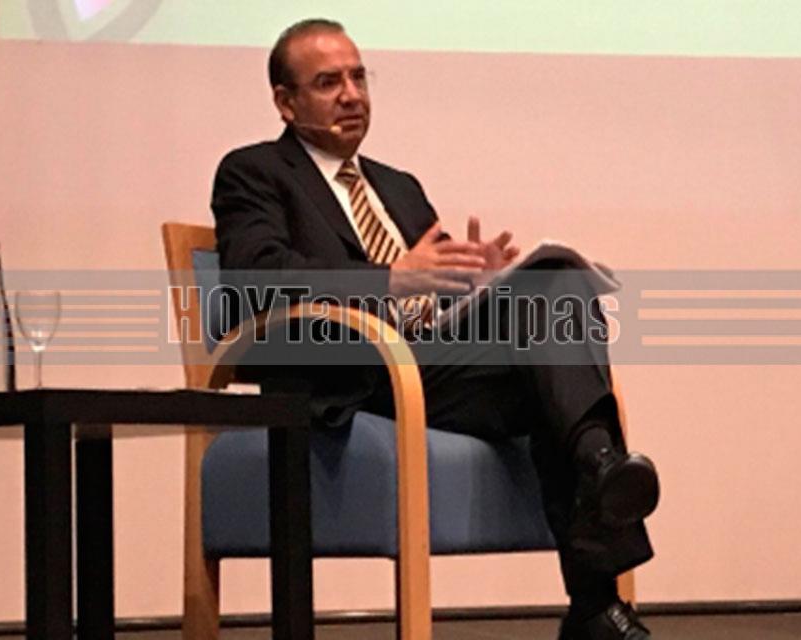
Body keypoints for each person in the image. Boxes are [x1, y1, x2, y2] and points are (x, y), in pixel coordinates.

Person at [211, 19, 659, 640]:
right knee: (556, 362)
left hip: (425, 369)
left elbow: (434, 285)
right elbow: (256, 278)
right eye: (329, 82)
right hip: (354, 373)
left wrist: (478, 283)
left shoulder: (398, 186)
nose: (352, 95)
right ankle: (597, 520)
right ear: (286, 103)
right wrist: (388, 279)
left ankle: (596, 483)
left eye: (359, 77)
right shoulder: (254, 172)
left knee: (555, 289)